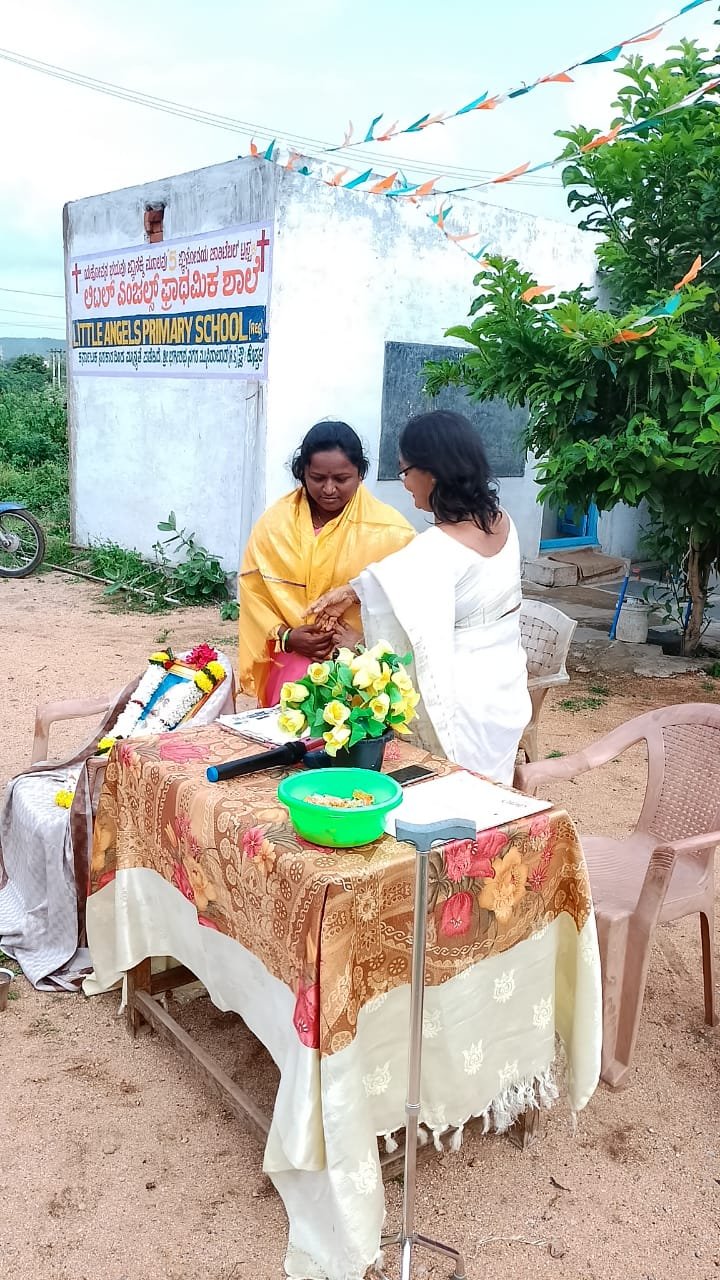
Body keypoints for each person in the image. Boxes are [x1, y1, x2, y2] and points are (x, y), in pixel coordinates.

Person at [308, 410, 531, 785]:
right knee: (493, 791)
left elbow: (405, 602)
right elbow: (400, 574)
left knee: (456, 789)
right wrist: (352, 590)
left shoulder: (436, 549)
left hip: (464, 699)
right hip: (504, 684)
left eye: (405, 471)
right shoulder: (502, 520)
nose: (406, 483)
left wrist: (359, 642)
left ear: (432, 472)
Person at [238, 420, 415, 705]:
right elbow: (254, 591)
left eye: (341, 479)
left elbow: (411, 602)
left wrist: (361, 643)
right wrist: (288, 636)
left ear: (360, 474)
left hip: (361, 673)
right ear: (302, 473)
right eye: (318, 478)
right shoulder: (274, 525)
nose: (329, 489)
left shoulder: (393, 532)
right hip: (290, 666)